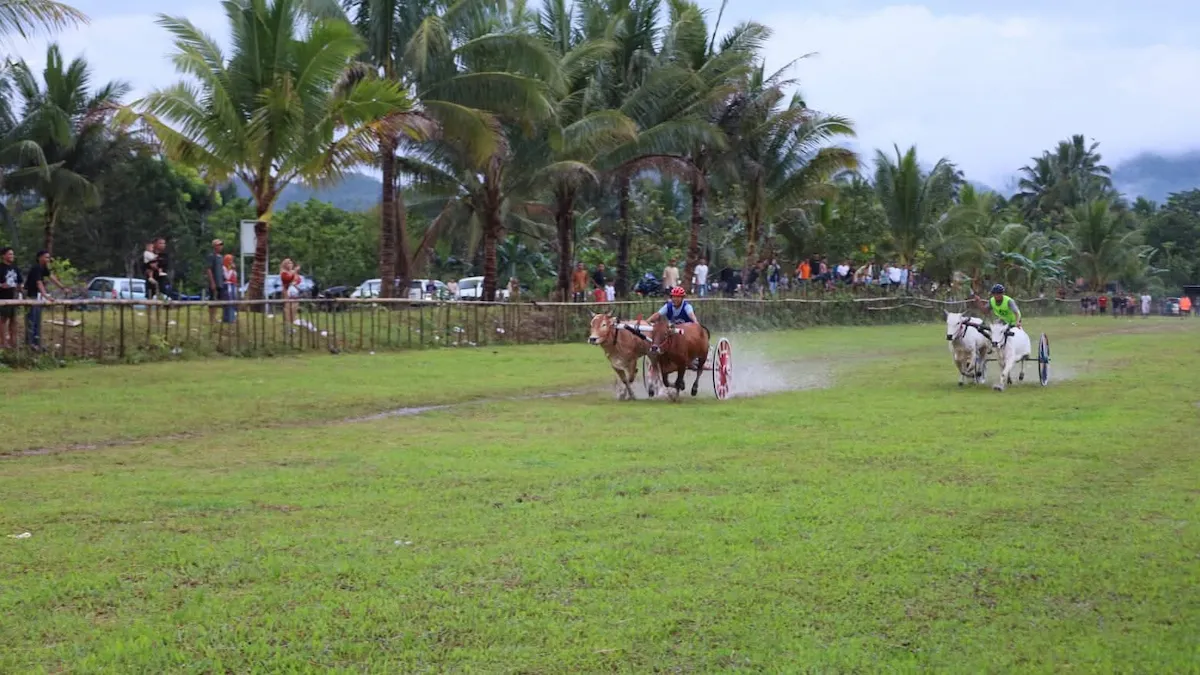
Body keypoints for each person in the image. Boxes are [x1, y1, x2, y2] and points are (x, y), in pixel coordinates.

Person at [24, 250, 66, 349]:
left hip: (38, 297)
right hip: (31, 296)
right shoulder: (36, 268)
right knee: (31, 320)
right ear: (40, 258)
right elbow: (39, 283)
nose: (48, 259)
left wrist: (63, 287)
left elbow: (52, 277)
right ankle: (30, 343)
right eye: (46, 257)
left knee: (37, 320)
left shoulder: (44, 268)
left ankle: (36, 342)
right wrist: (45, 295)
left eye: (48, 257)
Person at [0, 247, 22, 349]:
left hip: (13, 296)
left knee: (14, 320)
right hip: (2, 298)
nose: (12, 256)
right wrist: (1, 285)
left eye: (12, 254)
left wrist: (20, 288)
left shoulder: (15, 268)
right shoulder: (0, 268)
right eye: (9, 254)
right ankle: (3, 342)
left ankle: (13, 342)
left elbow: (19, 282)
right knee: (3, 320)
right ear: (3, 256)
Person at [205, 239, 224, 324]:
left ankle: (215, 317)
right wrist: (212, 282)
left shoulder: (220, 257)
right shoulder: (211, 256)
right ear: (215, 246)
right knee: (212, 299)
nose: (221, 246)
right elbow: (208, 269)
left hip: (220, 281)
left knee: (217, 300)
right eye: (219, 244)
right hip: (214, 281)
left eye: (221, 244)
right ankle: (211, 318)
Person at [279, 258, 302, 329]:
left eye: (291, 263)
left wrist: (295, 281)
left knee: (295, 306)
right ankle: (288, 322)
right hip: (287, 292)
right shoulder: (283, 272)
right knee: (288, 307)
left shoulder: (292, 271)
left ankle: (293, 320)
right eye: (289, 263)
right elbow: (287, 279)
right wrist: (295, 271)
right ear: (285, 265)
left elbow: (298, 279)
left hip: (294, 291)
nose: (291, 265)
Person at [221, 254, 238, 324]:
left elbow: (235, 276)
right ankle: (229, 319)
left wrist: (232, 269)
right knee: (230, 302)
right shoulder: (223, 268)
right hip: (228, 286)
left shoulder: (230, 267)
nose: (231, 262)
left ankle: (231, 318)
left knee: (233, 302)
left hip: (233, 285)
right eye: (230, 260)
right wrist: (231, 269)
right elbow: (227, 277)